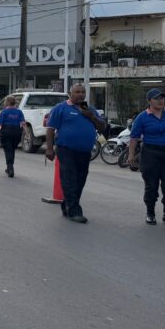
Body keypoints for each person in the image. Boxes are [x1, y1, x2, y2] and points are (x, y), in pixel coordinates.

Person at [45, 84, 107, 224]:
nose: (80, 94)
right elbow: (50, 129)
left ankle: (67, 206)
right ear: (70, 93)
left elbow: (102, 127)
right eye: (77, 92)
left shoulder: (90, 110)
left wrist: (92, 117)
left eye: (83, 92)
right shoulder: (61, 108)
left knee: (80, 180)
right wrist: (49, 148)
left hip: (84, 151)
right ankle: (74, 211)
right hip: (66, 149)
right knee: (69, 179)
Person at [127, 88, 165, 226]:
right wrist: (131, 155)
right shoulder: (143, 117)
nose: (160, 100)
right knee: (151, 185)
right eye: (157, 98)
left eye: (162, 98)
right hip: (151, 153)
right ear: (149, 101)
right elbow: (134, 137)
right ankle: (150, 213)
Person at [0, 95, 26, 177]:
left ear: (7, 102)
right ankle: (9, 166)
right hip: (16, 132)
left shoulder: (4, 112)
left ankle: (10, 168)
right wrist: (26, 133)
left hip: (6, 131)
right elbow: (23, 123)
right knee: (12, 149)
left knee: (7, 150)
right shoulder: (19, 112)